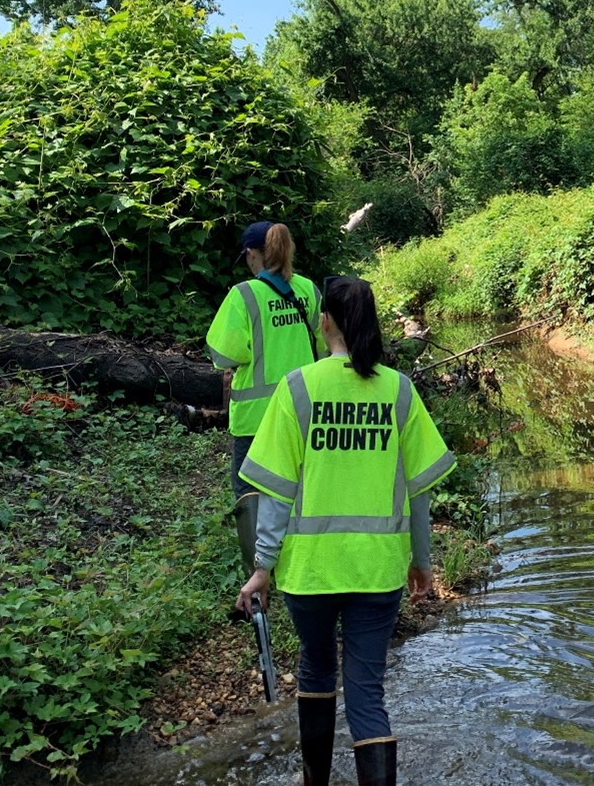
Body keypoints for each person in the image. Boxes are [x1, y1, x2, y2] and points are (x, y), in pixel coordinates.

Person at [235, 275, 455, 786]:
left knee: (315, 668)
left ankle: (314, 782)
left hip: (310, 573)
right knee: (367, 693)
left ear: (325, 320)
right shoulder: (399, 390)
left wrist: (262, 569)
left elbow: (276, 492)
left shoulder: (297, 388)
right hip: (378, 572)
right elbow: (417, 489)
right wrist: (422, 561)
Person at [206, 220, 324, 498]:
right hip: (304, 409)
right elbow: (325, 345)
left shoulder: (243, 295)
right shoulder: (308, 290)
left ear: (251, 254)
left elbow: (224, 355)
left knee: (250, 494)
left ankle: (255, 543)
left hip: (255, 417)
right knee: (298, 489)